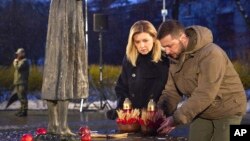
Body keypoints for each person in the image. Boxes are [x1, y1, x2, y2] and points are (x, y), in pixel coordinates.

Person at [156, 19, 247, 141]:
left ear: (182, 38)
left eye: (169, 46)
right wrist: (160, 110)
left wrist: (176, 119)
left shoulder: (211, 54)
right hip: (202, 111)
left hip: (228, 109)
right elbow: (172, 91)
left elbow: (205, 93)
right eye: (164, 47)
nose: (166, 51)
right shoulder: (175, 58)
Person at [42, 0, 88, 136]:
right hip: (69, 11)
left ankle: (54, 124)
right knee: (64, 69)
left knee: (55, 67)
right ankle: (61, 126)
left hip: (58, 11)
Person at [107, 20, 169, 119]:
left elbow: (169, 92)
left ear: (153, 38)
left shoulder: (165, 59)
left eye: (145, 40)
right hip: (132, 118)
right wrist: (122, 108)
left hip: (156, 118)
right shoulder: (129, 59)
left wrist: (163, 113)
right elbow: (121, 87)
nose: (142, 46)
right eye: (137, 42)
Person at [13, 48, 30, 117]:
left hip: (22, 82)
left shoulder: (24, 61)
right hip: (18, 82)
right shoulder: (20, 61)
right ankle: (21, 109)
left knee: (23, 96)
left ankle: (24, 111)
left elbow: (18, 68)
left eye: (18, 54)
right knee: (20, 97)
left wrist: (15, 62)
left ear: (22, 54)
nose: (17, 55)